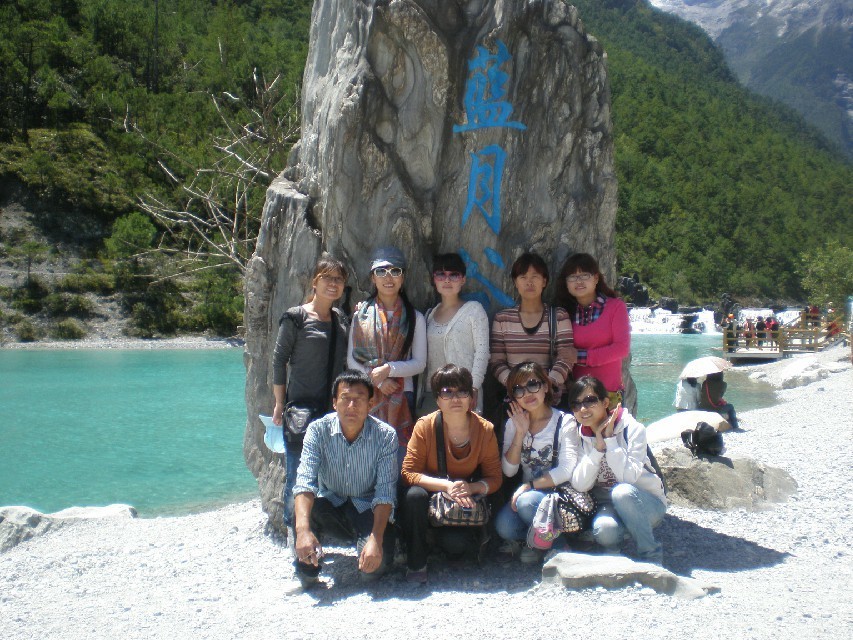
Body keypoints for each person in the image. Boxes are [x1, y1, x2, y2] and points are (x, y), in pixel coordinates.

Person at [292, 370, 398, 586]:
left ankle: (375, 547)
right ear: (334, 403)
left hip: (367, 507)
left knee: (372, 572)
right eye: (345, 398)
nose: (352, 406)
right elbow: (305, 481)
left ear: (370, 404)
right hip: (330, 502)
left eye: (359, 399)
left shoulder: (385, 436)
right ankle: (308, 568)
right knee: (299, 507)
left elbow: (385, 492)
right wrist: (302, 531)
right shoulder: (317, 430)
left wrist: (376, 539)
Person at [401, 365, 502, 583]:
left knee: (455, 545)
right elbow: (408, 472)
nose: (455, 399)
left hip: (463, 501)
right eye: (447, 392)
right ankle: (416, 562)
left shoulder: (485, 430)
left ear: (471, 397)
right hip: (432, 495)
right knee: (414, 496)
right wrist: (447, 486)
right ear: (437, 399)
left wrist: (471, 488)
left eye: (462, 392)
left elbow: (494, 478)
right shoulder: (425, 426)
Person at [271, 255, 350, 529]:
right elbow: (279, 361)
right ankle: (294, 531)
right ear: (315, 282)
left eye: (339, 279)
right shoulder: (296, 317)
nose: (333, 284)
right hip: (300, 410)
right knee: (297, 474)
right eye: (327, 278)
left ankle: (317, 528)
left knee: (326, 476)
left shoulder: (341, 319)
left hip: (332, 411)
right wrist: (279, 403)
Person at [567, 375, 666, 565]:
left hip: (646, 502)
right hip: (609, 505)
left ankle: (650, 554)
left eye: (589, 401)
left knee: (622, 492)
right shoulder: (580, 436)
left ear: (605, 402)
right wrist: (598, 449)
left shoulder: (632, 429)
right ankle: (615, 556)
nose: (583, 409)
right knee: (604, 529)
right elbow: (580, 484)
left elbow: (628, 478)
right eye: (576, 404)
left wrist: (611, 440)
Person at [348, 246, 426, 465]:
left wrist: (389, 370)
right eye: (381, 271)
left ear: (403, 278)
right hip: (368, 393)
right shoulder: (360, 315)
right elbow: (352, 359)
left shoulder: (415, 318)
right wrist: (378, 380)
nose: (388, 277)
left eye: (395, 271)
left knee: (398, 459)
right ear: (373, 278)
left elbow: (420, 363)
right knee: (366, 459)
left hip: (403, 396)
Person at [494, 362, 576, 564]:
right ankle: (537, 542)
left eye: (533, 385)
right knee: (504, 526)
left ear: (545, 386)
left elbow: (566, 470)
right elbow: (509, 471)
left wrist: (529, 485)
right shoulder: (513, 423)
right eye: (518, 390)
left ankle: (559, 547)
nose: (527, 394)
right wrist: (520, 433)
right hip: (529, 495)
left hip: (558, 496)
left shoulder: (564, 421)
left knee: (527, 502)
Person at [489, 252, 575, 421]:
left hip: (553, 401)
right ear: (515, 282)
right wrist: (517, 386)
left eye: (535, 277)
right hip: (516, 401)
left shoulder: (558, 316)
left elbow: (566, 358)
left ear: (544, 281)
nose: (529, 282)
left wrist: (546, 386)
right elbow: (496, 361)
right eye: (523, 277)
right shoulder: (503, 319)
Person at [555, 252, 630, 405]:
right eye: (573, 277)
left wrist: (580, 356)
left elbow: (621, 348)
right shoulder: (565, 313)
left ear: (596, 278)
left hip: (608, 395)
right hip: (576, 396)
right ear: (566, 283)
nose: (579, 281)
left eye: (584, 275)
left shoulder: (616, 307)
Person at [420, 253, 490, 414]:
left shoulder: (474, 310)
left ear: (463, 279)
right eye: (441, 274)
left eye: (454, 275)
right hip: (433, 395)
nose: (447, 280)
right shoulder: (429, 315)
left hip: (464, 394)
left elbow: (482, 351)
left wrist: (473, 387)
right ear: (434, 279)